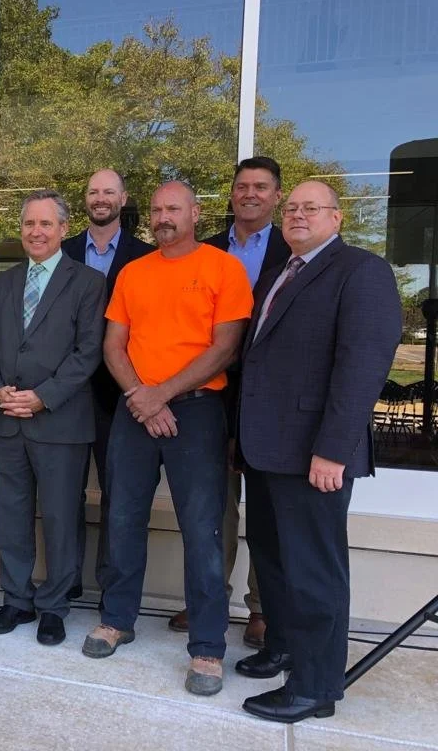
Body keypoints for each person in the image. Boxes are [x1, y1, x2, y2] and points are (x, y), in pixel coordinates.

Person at [237, 181, 401, 723]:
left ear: (337, 218)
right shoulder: (280, 273)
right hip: (268, 449)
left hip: (315, 454)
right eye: (292, 208)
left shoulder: (361, 271)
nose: (299, 215)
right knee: (274, 558)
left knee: (313, 570)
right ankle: (284, 647)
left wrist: (334, 449)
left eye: (312, 207)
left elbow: (362, 368)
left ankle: (315, 686)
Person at [85, 181, 252, 698]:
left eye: (173, 208)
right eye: (157, 209)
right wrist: (142, 396)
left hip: (197, 411)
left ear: (195, 213)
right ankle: (117, 619)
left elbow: (225, 348)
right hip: (135, 407)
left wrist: (163, 394)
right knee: (122, 517)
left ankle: (207, 647)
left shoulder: (224, 268)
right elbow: (113, 345)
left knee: (202, 529)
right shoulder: (133, 272)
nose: (163, 217)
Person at [168, 156, 290, 647]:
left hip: (270, 400)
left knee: (266, 507)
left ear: (276, 195)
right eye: (243, 186)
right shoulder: (207, 250)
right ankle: (209, 598)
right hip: (212, 396)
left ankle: (262, 607)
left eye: (261, 187)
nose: (250, 194)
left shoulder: (292, 250)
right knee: (213, 506)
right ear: (232, 194)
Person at [0, 189, 106, 646]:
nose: (36, 232)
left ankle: (54, 605)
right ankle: (16, 599)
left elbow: (88, 351)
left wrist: (42, 397)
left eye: (45, 224)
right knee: (11, 516)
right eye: (29, 224)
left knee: (60, 518)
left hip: (59, 421)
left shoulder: (89, 282)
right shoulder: (5, 281)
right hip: (7, 419)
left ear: (63, 229)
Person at [62, 168, 154, 598]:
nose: (100, 198)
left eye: (109, 192)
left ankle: (111, 588)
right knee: (66, 494)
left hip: (121, 394)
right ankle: (67, 581)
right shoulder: (61, 251)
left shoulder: (145, 256)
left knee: (119, 497)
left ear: (123, 198)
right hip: (65, 392)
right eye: (93, 191)